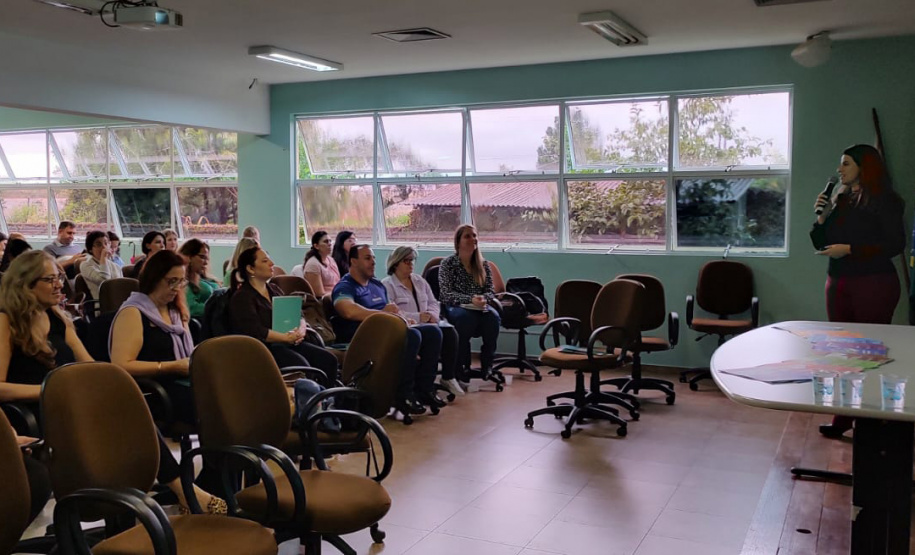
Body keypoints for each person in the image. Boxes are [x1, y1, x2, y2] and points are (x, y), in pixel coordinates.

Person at [0, 251, 223, 515]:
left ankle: (169, 492)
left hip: (71, 402)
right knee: (124, 417)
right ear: (25, 284)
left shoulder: (58, 318)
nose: (60, 284)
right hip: (36, 412)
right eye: (50, 279)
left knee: (131, 409)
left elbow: (90, 366)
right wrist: (53, 392)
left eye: (59, 277)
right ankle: (181, 492)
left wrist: (109, 386)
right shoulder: (6, 321)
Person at [811, 144, 905, 439]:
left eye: (846, 164)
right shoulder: (842, 200)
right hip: (839, 282)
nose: (840, 170)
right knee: (844, 354)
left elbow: (894, 244)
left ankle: (875, 420)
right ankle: (844, 417)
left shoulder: (886, 201)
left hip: (873, 283)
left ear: (865, 167)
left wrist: (850, 249)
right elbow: (820, 243)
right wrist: (821, 219)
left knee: (870, 354)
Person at [332, 244, 443, 413]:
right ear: (353, 262)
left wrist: (404, 319)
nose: (373, 263)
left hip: (386, 333)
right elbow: (347, 311)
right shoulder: (345, 286)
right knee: (412, 336)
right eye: (367, 258)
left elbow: (392, 311)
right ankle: (403, 394)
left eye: (374, 258)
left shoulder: (377, 285)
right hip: (362, 339)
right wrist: (381, 314)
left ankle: (424, 389)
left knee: (433, 332)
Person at [228, 246, 339, 382]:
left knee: (329, 360)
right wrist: (285, 338)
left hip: (289, 342)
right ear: (251, 268)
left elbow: (297, 314)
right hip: (264, 349)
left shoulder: (274, 290)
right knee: (303, 368)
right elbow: (255, 331)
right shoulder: (242, 297)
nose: (271, 264)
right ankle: (309, 401)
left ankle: (329, 400)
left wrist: (301, 330)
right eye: (264, 261)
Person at [382, 246, 463, 397]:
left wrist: (432, 315)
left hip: (429, 322)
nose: (411, 264)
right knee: (432, 334)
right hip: (410, 326)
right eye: (406, 261)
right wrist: (419, 316)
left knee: (451, 333)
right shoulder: (387, 285)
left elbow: (433, 302)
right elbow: (393, 311)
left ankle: (448, 377)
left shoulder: (420, 281)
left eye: (412, 260)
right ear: (396, 263)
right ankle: (421, 386)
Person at [438, 225, 502, 381]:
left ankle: (487, 365)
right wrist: (470, 299)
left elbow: (490, 290)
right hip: (456, 306)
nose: (473, 239)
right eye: (467, 236)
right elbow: (446, 293)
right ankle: (460, 366)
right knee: (465, 319)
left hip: (479, 306)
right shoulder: (448, 264)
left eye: (474, 235)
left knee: (493, 318)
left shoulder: (483, 264)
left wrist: (484, 299)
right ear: (458, 241)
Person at [180, 239, 220, 319]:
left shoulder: (204, 277)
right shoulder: (183, 281)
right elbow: (191, 308)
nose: (206, 262)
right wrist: (218, 308)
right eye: (202, 257)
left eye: (206, 258)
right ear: (189, 257)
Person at [292, 231, 340, 297]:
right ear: (316, 246)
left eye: (330, 241)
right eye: (326, 242)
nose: (330, 244)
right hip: (325, 301)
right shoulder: (313, 264)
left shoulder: (331, 260)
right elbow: (319, 294)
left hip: (337, 296)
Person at [79, 230, 122, 299]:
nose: (104, 247)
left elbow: (121, 286)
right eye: (99, 244)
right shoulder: (85, 265)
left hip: (119, 302)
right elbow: (104, 282)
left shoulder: (115, 266)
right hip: (103, 305)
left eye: (106, 243)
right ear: (90, 249)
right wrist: (103, 258)